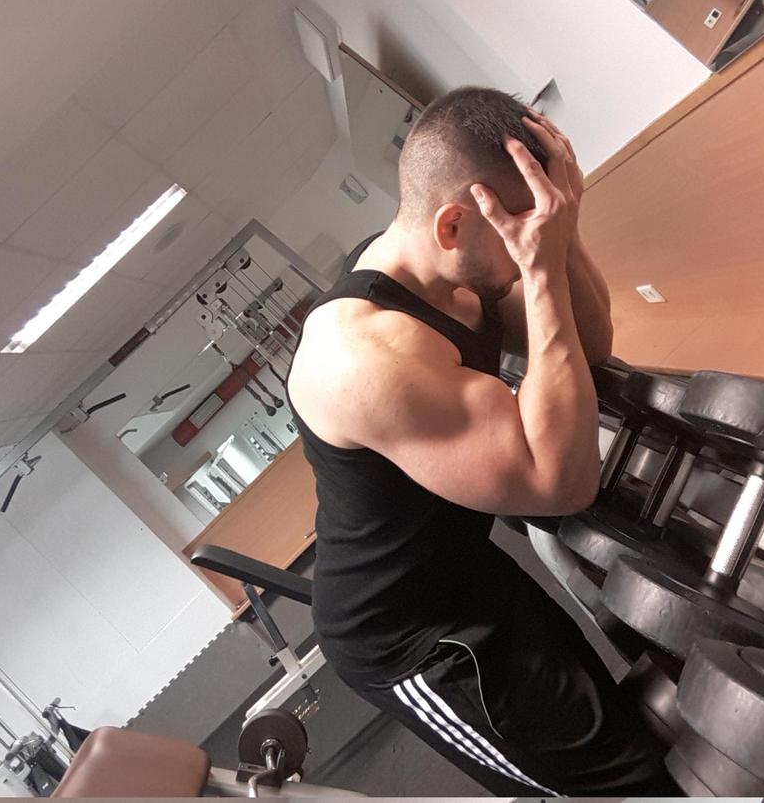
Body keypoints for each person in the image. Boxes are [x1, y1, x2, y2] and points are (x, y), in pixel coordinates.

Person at [285, 87, 677, 795]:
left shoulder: (453, 265)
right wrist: (540, 267)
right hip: (409, 634)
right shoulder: (365, 357)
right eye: (520, 228)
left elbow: (587, 347)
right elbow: (561, 483)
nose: (526, 250)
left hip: (464, 565)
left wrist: (562, 232)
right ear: (453, 224)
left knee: (617, 724)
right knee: (609, 784)